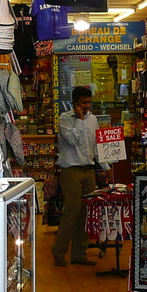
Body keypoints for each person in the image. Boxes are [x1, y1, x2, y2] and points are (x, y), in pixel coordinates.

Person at [53, 86, 112, 267]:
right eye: (83, 103)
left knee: (87, 213)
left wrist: (106, 167)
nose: (86, 106)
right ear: (75, 104)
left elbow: (95, 147)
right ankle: (59, 251)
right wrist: (79, 120)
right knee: (71, 211)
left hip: (89, 171)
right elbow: (71, 140)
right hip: (71, 171)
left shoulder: (93, 120)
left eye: (88, 102)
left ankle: (79, 253)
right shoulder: (65, 119)